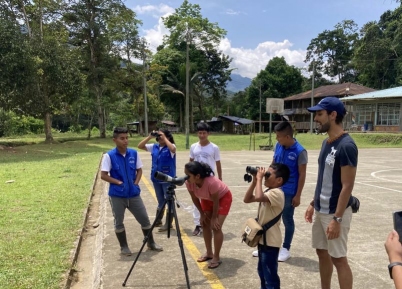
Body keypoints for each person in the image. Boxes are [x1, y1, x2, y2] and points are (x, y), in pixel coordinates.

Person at [304, 97, 358, 289]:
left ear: (333, 115)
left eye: (319, 114)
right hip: (321, 209)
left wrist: (337, 218)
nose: (316, 119)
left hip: (335, 212)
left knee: (339, 259)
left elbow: (347, 186)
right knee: (321, 252)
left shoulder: (346, 146)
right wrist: (313, 203)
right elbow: (324, 178)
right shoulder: (327, 142)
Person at [100, 127, 163, 256]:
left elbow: (139, 170)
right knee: (119, 221)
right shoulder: (109, 156)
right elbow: (103, 175)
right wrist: (117, 182)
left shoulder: (133, 153)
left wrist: (135, 183)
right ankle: (124, 247)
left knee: (144, 219)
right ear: (115, 140)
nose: (125, 141)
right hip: (117, 195)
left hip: (134, 194)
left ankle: (150, 243)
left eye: (127, 138)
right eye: (122, 138)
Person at [252, 121, 307, 261]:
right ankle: (263, 244)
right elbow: (273, 164)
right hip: (273, 188)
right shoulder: (278, 146)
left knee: (287, 219)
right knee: (266, 216)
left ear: (288, 137)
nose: (276, 139)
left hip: (288, 192)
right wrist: (266, 177)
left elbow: (302, 175)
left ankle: (286, 248)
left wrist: (298, 195)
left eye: (278, 136)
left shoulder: (300, 151)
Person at [243, 164, 290, 289]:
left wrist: (259, 179)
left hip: (271, 242)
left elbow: (258, 197)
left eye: (268, 175)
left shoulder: (278, 193)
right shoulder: (269, 191)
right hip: (263, 240)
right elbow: (247, 199)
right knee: (262, 273)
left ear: (279, 180)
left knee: (270, 276)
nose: (264, 177)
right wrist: (254, 181)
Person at [184, 161, 232, 269]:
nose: (185, 177)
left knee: (216, 227)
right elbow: (194, 198)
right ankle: (209, 253)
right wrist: (202, 214)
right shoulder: (189, 183)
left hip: (222, 198)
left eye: (188, 175)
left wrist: (214, 218)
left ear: (197, 176)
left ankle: (216, 257)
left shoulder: (211, 182)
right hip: (207, 198)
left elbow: (216, 201)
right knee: (205, 224)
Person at [138, 129, 176, 231]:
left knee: (169, 201)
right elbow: (140, 146)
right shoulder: (154, 147)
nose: (159, 138)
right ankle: (158, 220)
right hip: (156, 178)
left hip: (167, 179)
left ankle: (168, 224)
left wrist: (165, 139)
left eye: (161, 136)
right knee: (160, 200)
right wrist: (150, 136)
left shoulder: (170, 147)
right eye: (158, 136)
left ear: (167, 137)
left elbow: (173, 149)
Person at [189, 122, 222, 236]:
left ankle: (211, 222)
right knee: (196, 201)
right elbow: (191, 161)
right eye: (200, 133)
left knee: (211, 202)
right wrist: (189, 175)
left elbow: (218, 163)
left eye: (204, 133)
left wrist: (220, 178)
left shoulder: (214, 147)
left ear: (208, 133)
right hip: (196, 178)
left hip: (209, 179)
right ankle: (198, 225)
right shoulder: (194, 146)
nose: (202, 135)